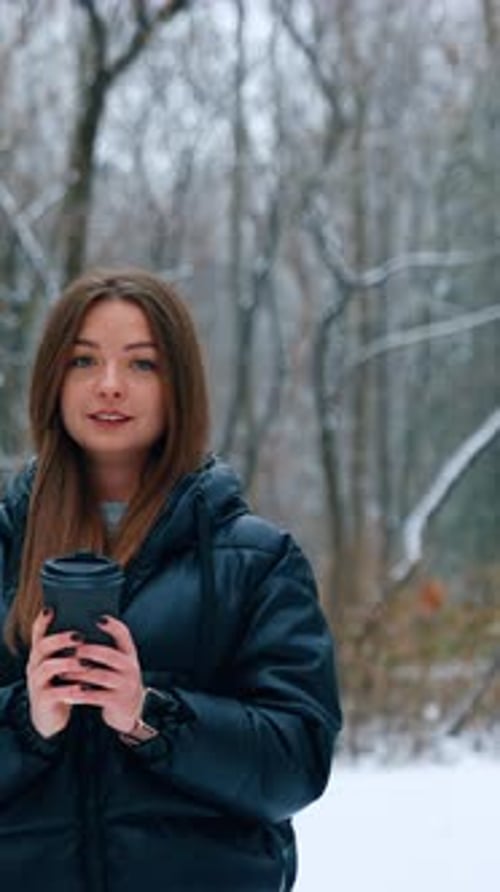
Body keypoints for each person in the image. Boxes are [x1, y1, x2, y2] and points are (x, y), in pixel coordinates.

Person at [0, 267, 342, 892]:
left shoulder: (257, 564)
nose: (109, 386)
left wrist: (148, 715)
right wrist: (28, 720)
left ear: (178, 385)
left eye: (141, 365)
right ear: (53, 378)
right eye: (83, 361)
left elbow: (297, 763)